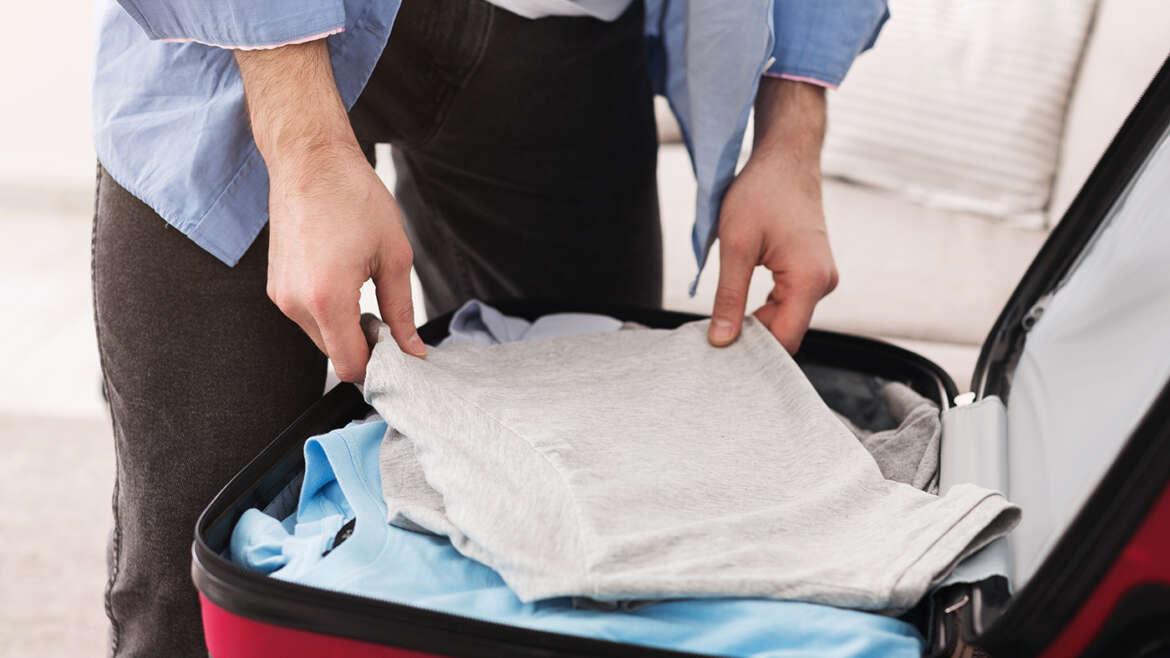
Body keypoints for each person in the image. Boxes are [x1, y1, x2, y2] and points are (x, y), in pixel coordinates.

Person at [90, 0, 888, 655]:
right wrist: (301, 145)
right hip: (242, 35)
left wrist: (792, 131)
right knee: (189, 583)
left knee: (609, 561)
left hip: (559, 40)